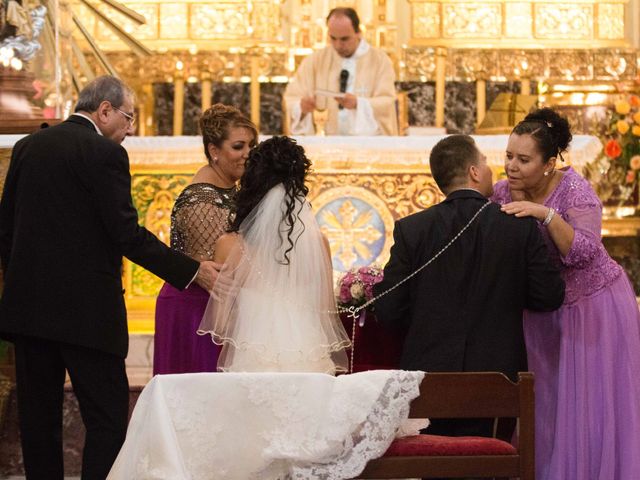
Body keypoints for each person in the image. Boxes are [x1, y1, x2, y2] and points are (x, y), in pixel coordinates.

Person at [0, 75, 217, 480]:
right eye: (128, 118)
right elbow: (126, 235)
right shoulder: (103, 153)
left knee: (37, 423)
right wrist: (191, 270)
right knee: (107, 421)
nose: (130, 130)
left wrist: (20, 285)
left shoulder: (28, 147)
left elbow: (6, 230)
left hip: (29, 312)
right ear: (104, 110)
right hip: (88, 316)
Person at [374, 134, 565, 438]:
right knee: (491, 464)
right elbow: (549, 296)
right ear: (474, 172)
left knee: (435, 465)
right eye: (486, 163)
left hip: (427, 380)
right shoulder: (519, 226)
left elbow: (388, 308)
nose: (493, 170)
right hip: (498, 380)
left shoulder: (412, 229)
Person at [493, 107, 640, 479]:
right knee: (548, 400)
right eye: (509, 156)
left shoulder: (576, 190)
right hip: (542, 308)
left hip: (593, 305)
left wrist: (545, 215)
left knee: (588, 403)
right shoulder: (501, 191)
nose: (512, 166)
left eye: (523, 159)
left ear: (548, 163)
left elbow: (581, 252)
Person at [198, 136, 351, 373]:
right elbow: (326, 312)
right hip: (309, 355)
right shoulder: (319, 243)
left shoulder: (229, 245)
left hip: (253, 356)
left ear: (252, 182)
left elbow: (222, 322)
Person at [153, 104, 257, 375]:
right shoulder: (202, 200)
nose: (248, 154)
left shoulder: (227, 188)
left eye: (251, 145)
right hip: (196, 311)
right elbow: (219, 269)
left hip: (214, 307)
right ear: (214, 151)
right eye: (238, 146)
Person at [283, 7, 398, 136]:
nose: (338, 45)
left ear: (358, 32)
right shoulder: (315, 61)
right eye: (333, 38)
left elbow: (387, 102)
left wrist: (358, 104)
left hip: (366, 145)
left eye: (344, 39)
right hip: (325, 143)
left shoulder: (380, 61)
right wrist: (302, 108)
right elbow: (292, 99)